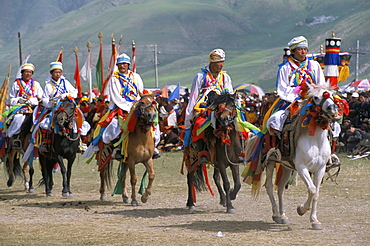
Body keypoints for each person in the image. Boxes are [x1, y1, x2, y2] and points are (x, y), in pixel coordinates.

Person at [97, 53, 160, 159]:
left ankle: (154, 146)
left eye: (125, 64)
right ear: (117, 65)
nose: (122, 66)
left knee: (153, 121)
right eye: (120, 64)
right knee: (115, 124)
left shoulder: (136, 76)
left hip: (138, 105)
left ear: (128, 65)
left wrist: (138, 104)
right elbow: (116, 96)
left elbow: (140, 91)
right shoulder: (114, 79)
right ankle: (117, 147)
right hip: (120, 107)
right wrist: (128, 107)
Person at [267, 36, 326, 134]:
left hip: (313, 99)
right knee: (276, 120)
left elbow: (321, 84)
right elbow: (282, 88)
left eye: (305, 49)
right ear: (293, 52)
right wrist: (298, 93)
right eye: (299, 49)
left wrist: (312, 92)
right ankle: (279, 146)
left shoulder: (314, 65)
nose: (303, 52)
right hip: (292, 101)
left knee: (332, 118)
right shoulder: (285, 68)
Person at [184, 48, 233, 164]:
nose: (221, 65)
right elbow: (194, 95)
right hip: (204, 105)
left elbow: (230, 93)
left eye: (222, 62)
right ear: (212, 63)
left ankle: (238, 151)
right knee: (198, 123)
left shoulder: (225, 77)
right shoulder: (200, 76)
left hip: (222, 106)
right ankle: (203, 153)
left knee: (237, 121)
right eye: (218, 63)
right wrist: (189, 115)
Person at [38, 61, 89, 152]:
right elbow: (45, 99)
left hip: (67, 105)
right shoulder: (48, 85)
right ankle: (46, 142)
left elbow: (74, 92)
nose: (58, 74)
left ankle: (81, 141)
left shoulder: (65, 82)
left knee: (79, 117)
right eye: (56, 72)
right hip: (55, 107)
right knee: (47, 121)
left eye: (59, 72)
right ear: (51, 73)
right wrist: (52, 102)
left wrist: (67, 95)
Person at [7, 63, 44, 148]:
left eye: (30, 72)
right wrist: (19, 100)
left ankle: (43, 141)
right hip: (20, 108)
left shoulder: (36, 84)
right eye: (26, 72)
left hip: (34, 108)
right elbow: (11, 99)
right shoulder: (16, 84)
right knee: (18, 119)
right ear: (22, 73)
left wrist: (32, 100)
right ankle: (16, 137)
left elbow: (41, 98)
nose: (28, 74)